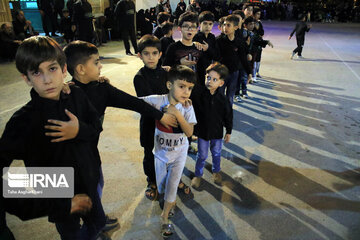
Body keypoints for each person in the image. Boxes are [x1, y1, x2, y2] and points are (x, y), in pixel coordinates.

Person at [0, 36, 106, 239]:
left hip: (87, 179)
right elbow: (7, 180)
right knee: (71, 233)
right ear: (26, 79)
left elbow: (96, 127)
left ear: (64, 69)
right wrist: (59, 202)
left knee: (99, 221)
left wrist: (79, 130)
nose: (47, 80)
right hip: (58, 190)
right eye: (36, 72)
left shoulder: (75, 94)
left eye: (52, 69)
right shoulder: (23, 121)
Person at [63, 40, 177, 212]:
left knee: (95, 188)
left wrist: (161, 116)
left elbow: (134, 103)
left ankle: (97, 222)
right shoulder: (65, 95)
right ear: (80, 69)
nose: (101, 66)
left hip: (91, 157)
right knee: (71, 208)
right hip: (69, 162)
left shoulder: (102, 89)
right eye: (96, 62)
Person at [141, 65, 197, 237]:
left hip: (179, 153)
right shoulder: (158, 100)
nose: (186, 92)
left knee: (172, 186)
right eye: (181, 86)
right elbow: (134, 100)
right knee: (162, 186)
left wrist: (177, 114)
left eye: (189, 88)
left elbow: (189, 132)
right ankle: (167, 204)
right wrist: (106, 85)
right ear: (169, 85)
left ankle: (165, 218)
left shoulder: (187, 107)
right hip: (160, 154)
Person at [133, 35, 170, 201]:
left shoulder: (167, 74)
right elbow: (147, 104)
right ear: (140, 55)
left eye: (154, 53)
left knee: (167, 151)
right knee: (149, 153)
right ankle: (152, 180)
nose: (151, 57)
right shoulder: (139, 77)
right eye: (146, 53)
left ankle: (168, 176)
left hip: (167, 123)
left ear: (160, 54)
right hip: (150, 123)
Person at [190, 62, 232, 188]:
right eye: (208, 78)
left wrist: (228, 131)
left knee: (217, 153)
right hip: (202, 132)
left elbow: (228, 116)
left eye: (214, 79)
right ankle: (198, 174)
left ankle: (216, 171)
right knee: (202, 155)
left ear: (221, 83)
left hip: (217, 133)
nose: (210, 81)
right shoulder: (198, 93)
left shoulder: (223, 99)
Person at [216, 14, 250, 106]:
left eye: (228, 25)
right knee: (219, 95)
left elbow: (243, 58)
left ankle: (228, 114)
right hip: (221, 73)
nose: (225, 28)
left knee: (230, 96)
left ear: (235, 27)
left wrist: (249, 72)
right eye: (224, 25)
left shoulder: (239, 42)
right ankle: (219, 116)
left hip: (234, 73)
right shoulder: (218, 40)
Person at [193, 11, 218, 85]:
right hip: (197, 71)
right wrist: (193, 44)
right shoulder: (195, 37)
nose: (207, 26)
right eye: (205, 23)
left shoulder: (212, 37)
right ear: (200, 24)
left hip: (209, 70)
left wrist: (208, 49)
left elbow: (216, 55)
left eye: (210, 24)